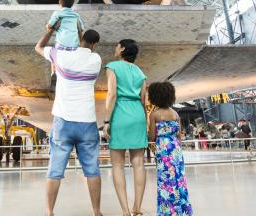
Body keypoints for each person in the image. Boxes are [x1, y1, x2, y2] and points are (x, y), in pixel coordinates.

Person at [34, 20, 103, 216]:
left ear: (80, 38)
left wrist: (51, 31)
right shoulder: (96, 60)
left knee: (55, 171)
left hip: (63, 122)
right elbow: (87, 51)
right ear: (94, 44)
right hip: (87, 123)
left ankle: (49, 212)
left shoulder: (61, 56)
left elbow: (38, 48)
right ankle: (97, 212)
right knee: (92, 170)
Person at [103, 39, 148, 216]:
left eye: (117, 45)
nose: (115, 48)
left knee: (118, 165)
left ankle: (125, 211)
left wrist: (107, 121)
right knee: (138, 163)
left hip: (120, 114)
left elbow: (112, 94)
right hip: (138, 114)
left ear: (122, 49)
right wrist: (144, 122)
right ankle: (137, 208)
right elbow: (144, 101)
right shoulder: (140, 72)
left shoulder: (112, 66)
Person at [147, 82, 192, 216]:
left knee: (165, 180)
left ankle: (167, 211)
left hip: (163, 150)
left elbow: (152, 136)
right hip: (176, 150)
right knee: (179, 179)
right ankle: (182, 210)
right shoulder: (175, 114)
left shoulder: (154, 115)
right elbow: (179, 135)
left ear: (155, 97)